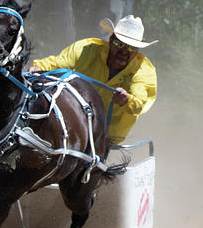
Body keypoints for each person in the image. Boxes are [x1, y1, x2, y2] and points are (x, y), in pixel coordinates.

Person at [28, 15, 158, 145]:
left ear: (138, 50)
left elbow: (140, 102)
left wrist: (127, 100)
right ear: (111, 40)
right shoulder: (87, 49)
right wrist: (39, 67)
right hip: (72, 121)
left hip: (107, 134)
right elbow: (56, 63)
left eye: (131, 48)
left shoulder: (143, 71)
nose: (124, 52)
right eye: (119, 44)